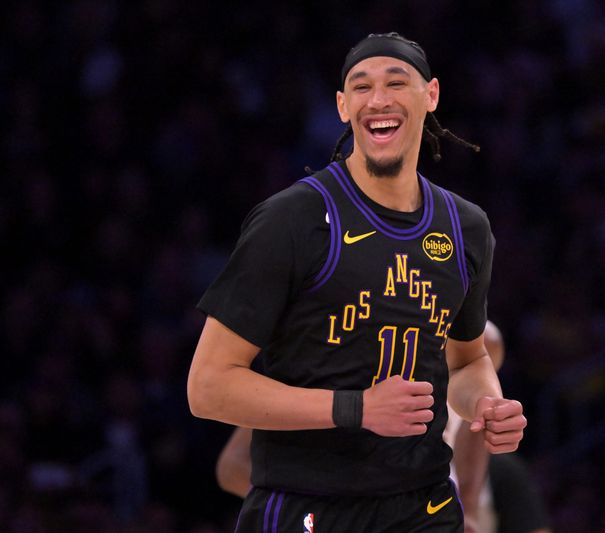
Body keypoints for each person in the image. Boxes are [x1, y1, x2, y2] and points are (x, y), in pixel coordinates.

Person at [187, 32, 526, 532]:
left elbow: (467, 359)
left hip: (423, 506)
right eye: (361, 87)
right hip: (306, 504)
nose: (379, 99)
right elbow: (208, 387)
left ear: (430, 95)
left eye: (396, 82)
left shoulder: (465, 227)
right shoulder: (293, 219)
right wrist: (357, 408)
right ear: (344, 107)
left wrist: (486, 405)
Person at [216, 321, 549, 533]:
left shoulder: (477, 343)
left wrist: (471, 510)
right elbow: (233, 465)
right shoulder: (323, 344)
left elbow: (471, 428)